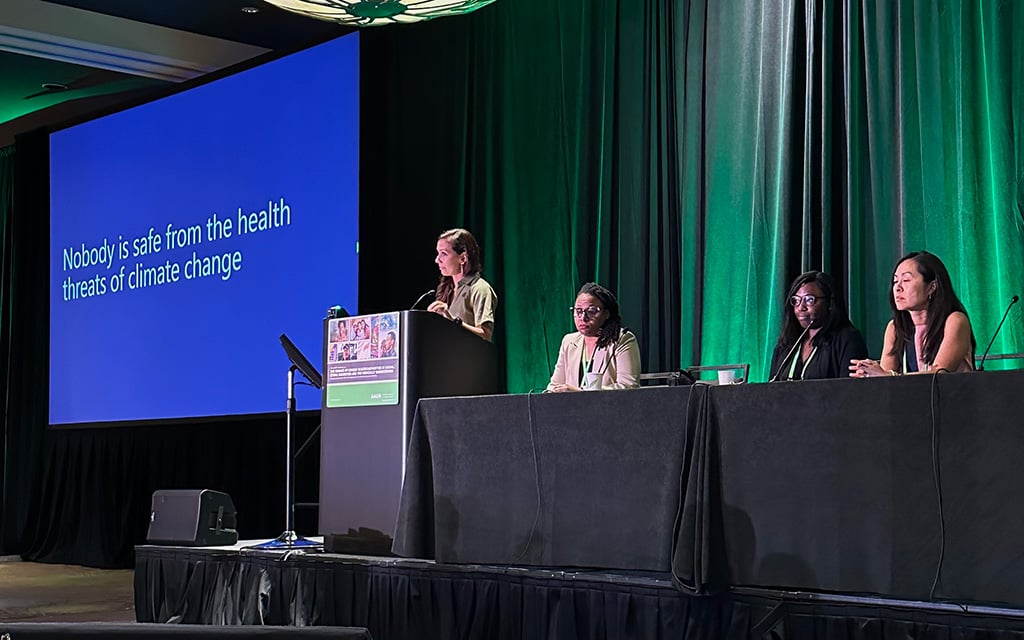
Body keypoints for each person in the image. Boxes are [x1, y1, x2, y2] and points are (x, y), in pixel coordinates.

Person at [850, 251, 975, 377]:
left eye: (906, 280)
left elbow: (938, 375)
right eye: (895, 281)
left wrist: (890, 376)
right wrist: (869, 372)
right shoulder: (895, 328)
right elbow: (884, 377)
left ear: (932, 287)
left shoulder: (955, 321)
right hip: (912, 396)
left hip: (954, 396)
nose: (898, 287)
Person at [769, 271, 869, 381]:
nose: (801, 307)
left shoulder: (848, 339)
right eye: (796, 300)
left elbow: (851, 390)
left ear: (830, 303)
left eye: (809, 300)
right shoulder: (786, 344)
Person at [546, 282, 641, 392]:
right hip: (572, 408)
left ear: (607, 314)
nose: (583, 318)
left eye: (591, 311)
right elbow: (555, 384)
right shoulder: (569, 341)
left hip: (608, 408)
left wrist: (580, 392)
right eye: (578, 311)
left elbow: (629, 387)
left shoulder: (622, 339)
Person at [426, 228, 498, 341]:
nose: (437, 260)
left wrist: (454, 321)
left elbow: (486, 335)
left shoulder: (479, 288)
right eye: (438, 253)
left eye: (443, 254)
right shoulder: (448, 290)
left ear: (463, 258)